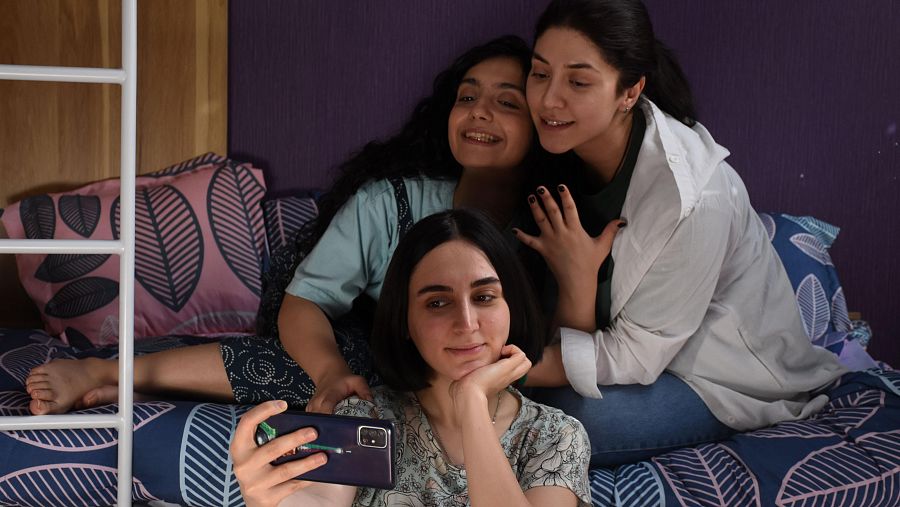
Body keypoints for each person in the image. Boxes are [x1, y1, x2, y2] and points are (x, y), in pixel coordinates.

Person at [24, 35, 590, 416]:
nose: (480, 111)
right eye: (468, 97)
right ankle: (113, 370)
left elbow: (557, 356)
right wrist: (328, 372)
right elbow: (305, 303)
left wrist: (577, 278)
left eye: (507, 102)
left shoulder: (552, 221)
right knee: (319, 366)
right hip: (378, 354)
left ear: (544, 120)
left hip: (491, 370)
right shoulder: (386, 204)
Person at [513, 0, 847, 467]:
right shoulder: (557, 151)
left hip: (716, 377)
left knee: (558, 423)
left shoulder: (695, 196)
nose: (548, 100)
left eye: (579, 81)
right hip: (617, 355)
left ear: (629, 92)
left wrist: (508, 372)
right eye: (540, 73)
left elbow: (637, 353)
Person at [230, 209, 591, 507]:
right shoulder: (364, 418)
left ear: (511, 306)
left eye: (484, 297)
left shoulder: (555, 436)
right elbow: (318, 502)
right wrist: (264, 498)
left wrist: (472, 400)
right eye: (437, 302)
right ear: (405, 320)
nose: (466, 324)